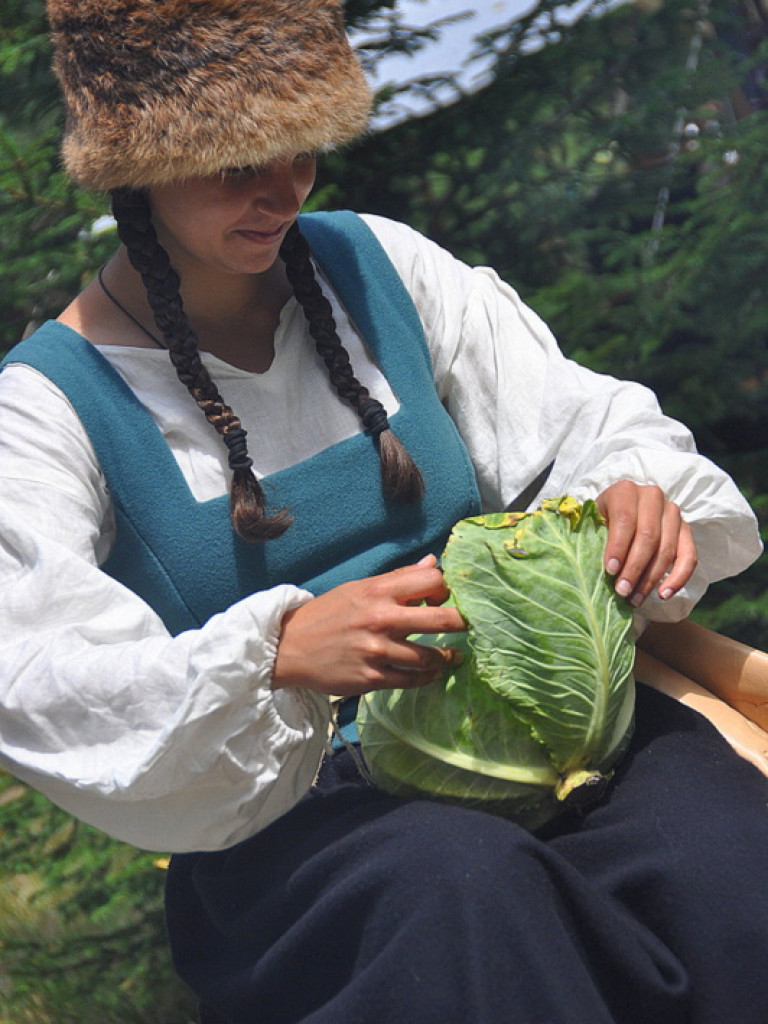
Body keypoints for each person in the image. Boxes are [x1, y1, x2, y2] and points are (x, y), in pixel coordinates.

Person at [0, 2, 766, 1022]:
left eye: (303, 149)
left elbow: (579, 420)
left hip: (539, 722)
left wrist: (631, 496)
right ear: (137, 162)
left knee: (724, 859)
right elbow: (40, 673)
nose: (284, 190)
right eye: (238, 162)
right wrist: (278, 651)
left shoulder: (381, 267)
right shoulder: (45, 405)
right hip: (296, 806)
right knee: (462, 895)